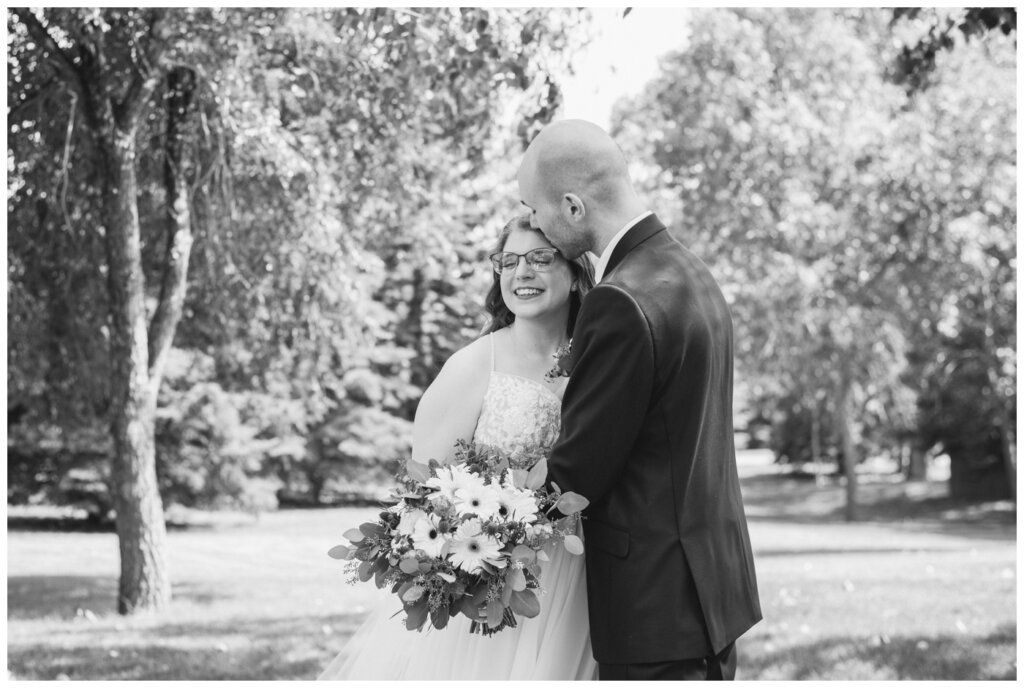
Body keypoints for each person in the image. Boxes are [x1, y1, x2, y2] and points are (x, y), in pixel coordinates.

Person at [517, 119, 762, 681]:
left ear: (574, 207)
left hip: (655, 609)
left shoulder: (620, 300)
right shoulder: (688, 272)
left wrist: (481, 519)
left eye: (535, 207)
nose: (533, 222)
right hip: (707, 596)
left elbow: (578, 473)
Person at [318, 215, 598, 680]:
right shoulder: (472, 366)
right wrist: (484, 552)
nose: (520, 272)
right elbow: (425, 492)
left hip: (581, 580)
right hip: (495, 588)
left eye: (539, 259)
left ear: (573, 275)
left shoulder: (596, 363)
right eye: (508, 261)